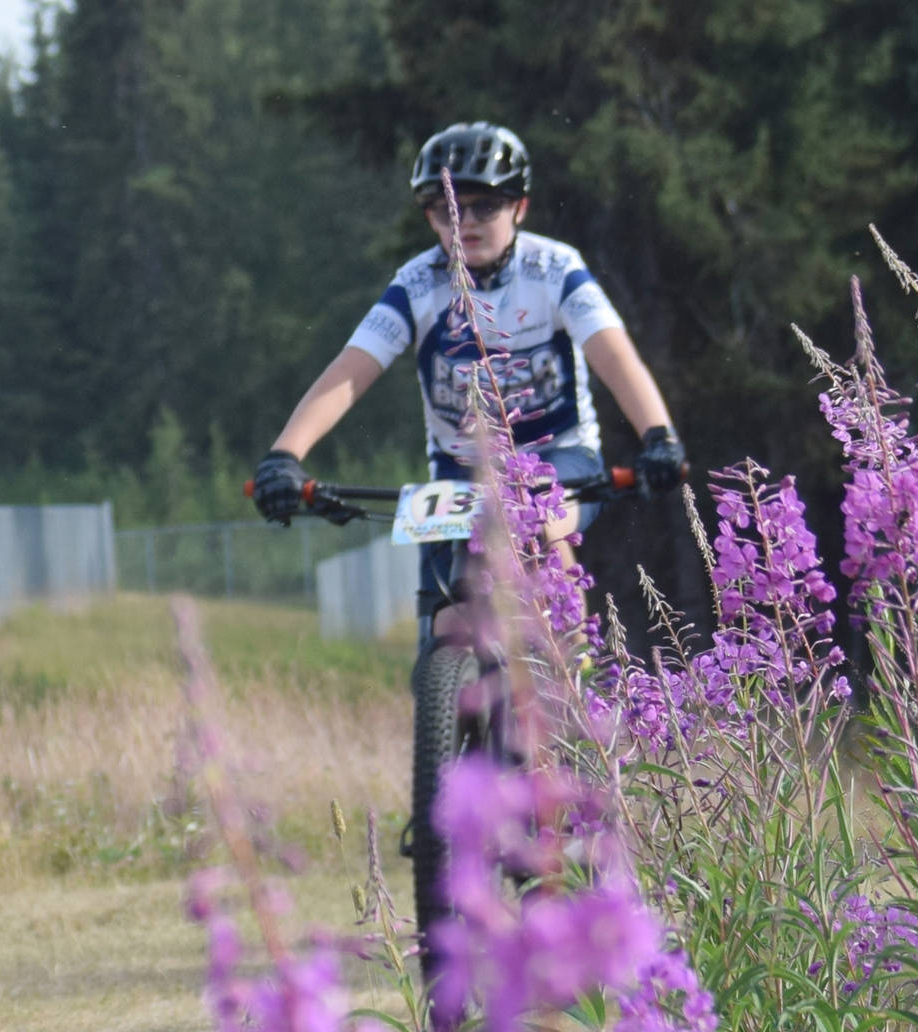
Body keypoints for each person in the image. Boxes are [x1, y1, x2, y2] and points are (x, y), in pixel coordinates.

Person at [251, 121, 685, 648]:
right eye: (448, 210)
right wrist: (284, 456)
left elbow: (614, 356)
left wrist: (658, 435)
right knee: (447, 627)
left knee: (539, 526)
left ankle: (576, 691)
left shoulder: (554, 268)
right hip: (460, 468)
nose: (466, 223)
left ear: (519, 208)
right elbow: (350, 371)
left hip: (560, 456)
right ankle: (451, 714)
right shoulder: (417, 283)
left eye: (487, 207)